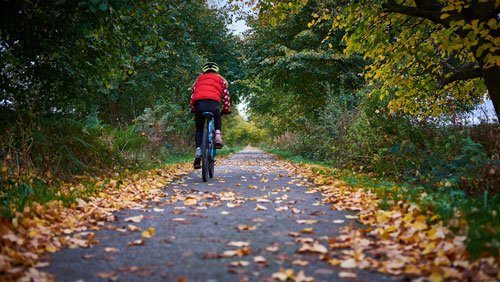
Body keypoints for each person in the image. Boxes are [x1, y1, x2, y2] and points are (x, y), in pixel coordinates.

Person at [190, 62, 230, 169]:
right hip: (213, 105)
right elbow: (226, 97)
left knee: (199, 129)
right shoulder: (221, 80)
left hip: (199, 105)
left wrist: (193, 109)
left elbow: (193, 96)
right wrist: (226, 109)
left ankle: (198, 151)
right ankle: (217, 135)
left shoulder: (199, 80)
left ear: (204, 71)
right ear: (216, 71)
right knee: (218, 115)